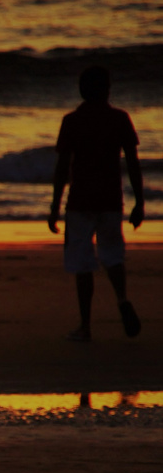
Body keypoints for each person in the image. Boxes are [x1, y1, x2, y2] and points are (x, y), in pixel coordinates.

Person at [50, 66, 145, 340]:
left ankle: (86, 325)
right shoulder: (119, 119)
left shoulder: (72, 121)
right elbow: (133, 164)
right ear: (107, 90)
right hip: (110, 199)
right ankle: (122, 299)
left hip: (80, 201)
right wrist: (139, 202)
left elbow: (62, 167)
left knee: (82, 263)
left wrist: (54, 207)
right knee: (112, 255)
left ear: (82, 91)